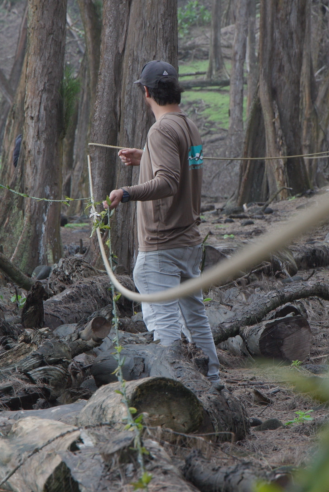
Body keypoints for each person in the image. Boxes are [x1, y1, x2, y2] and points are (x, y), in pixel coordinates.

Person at [105, 61, 223, 389]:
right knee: (196, 319)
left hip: (162, 246)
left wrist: (125, 192)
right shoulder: (188, 126)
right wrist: (146, 157)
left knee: (164, 327)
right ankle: (213, 384)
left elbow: (169, 182)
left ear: (146, 92)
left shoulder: (161, 130)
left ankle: (180, 390)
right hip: (188, 242)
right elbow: (179, 164)